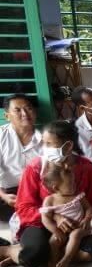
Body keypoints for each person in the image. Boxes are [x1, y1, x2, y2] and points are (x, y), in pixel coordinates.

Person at [0, 121, 92, 267]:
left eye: (49, 144)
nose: (44, 149)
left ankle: (53, 252)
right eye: (44, 143)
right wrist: (55, 217)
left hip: (73, 226)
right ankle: (9, 250)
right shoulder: (35, 167)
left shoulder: (86, 167)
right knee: (32, 258)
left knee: (90, 252)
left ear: (68, 146)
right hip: (39, 223)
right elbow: (23, 207)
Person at [39, 161, 92, 267]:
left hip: (81, 228)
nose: (74, 185)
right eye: (70, 184)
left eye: (74, 181)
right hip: (62, 230)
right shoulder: (49, 200)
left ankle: (66, 259)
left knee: (75, 235)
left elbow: (89, 209)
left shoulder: (78, 196)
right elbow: (45, 219)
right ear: (56, 187)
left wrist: (86, 219)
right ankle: (53, 265)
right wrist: (56, 231)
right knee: (53, 241)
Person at [0, 94, 43, 222]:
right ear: (7, 116)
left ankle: (28, 215)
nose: (24, 114)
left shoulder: (47, 138)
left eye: (28, 108)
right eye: (17, 110)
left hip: (36, 191)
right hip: (7, 192)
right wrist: (4, 196)